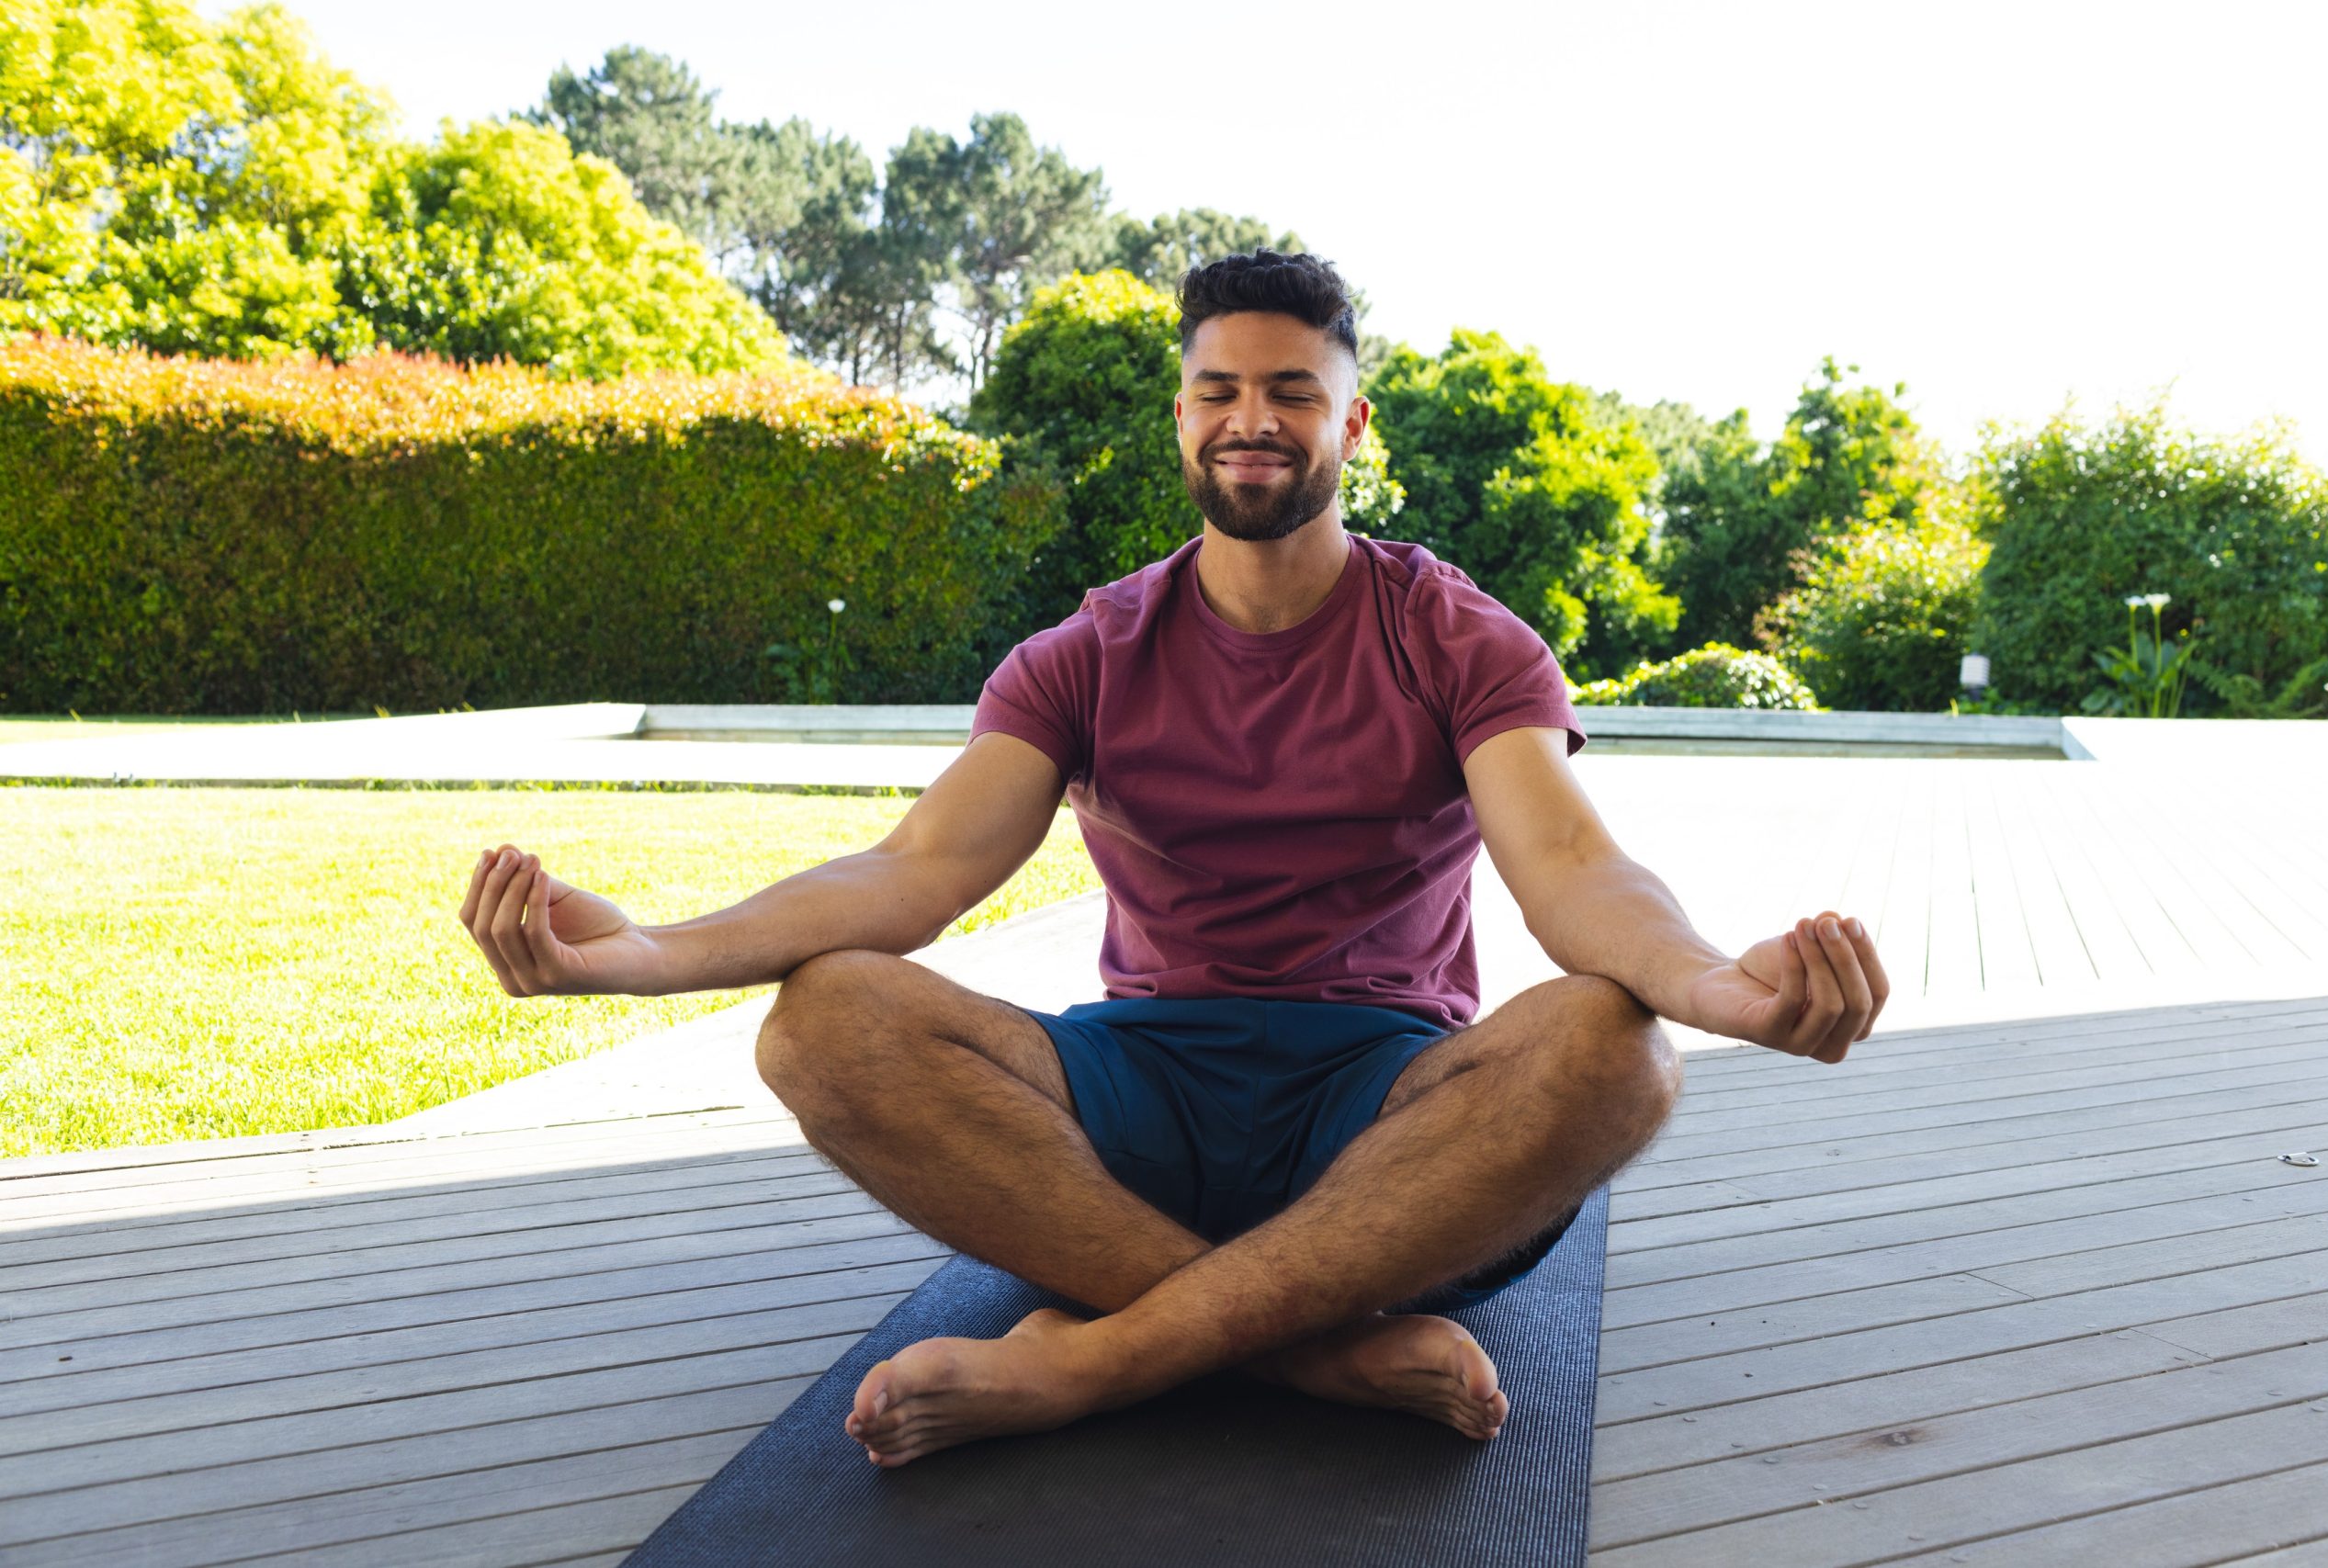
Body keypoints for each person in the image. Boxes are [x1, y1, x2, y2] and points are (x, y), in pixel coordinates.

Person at [458, 249, 1891, 1472]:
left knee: (1615, 1053)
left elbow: (1575, 873)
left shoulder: (1454, 635)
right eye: (1220, 391)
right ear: (1182, 418)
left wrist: (1722, 992)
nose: (1251, 421)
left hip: (1384, 1107)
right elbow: (913, 871)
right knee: (828, 1016)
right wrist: (638, 955)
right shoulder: (1086, 653)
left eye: (1291, 393)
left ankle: (1092, 1360)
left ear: (1351, 422)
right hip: (1135, 1096)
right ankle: (1307, 1354)